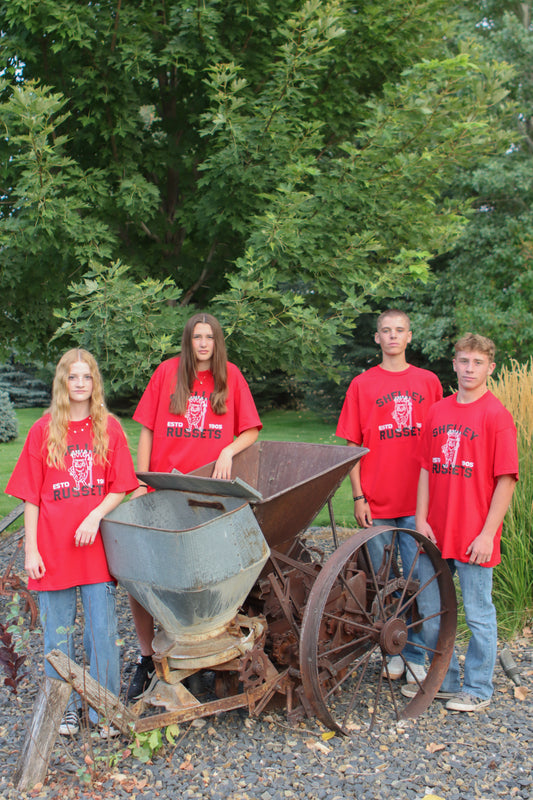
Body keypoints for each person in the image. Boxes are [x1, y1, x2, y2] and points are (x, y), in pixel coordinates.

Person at [127, 312, 262, 699]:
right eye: (196, 337)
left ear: (217, 343)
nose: (203, 344)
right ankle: (147, 655)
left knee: (201, 576)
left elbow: (251, 429)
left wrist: (227, 449)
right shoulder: (167, 373)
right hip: (165, 488)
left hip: (206, 494)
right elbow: (148, 429)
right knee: (145, 574)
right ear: (187, 342)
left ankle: (198, 655)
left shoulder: (230, 377)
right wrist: (141, 480)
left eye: (210, 338)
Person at [5, 349, 138, 737]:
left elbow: (121, 486)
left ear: (95, 383)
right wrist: (31, 549)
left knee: (101, 630)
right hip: (53, 549)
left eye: (87, 377)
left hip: (96, 549)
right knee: (58, 635)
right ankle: (64, 707)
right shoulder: (43, 430)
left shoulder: (108, 428)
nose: (80, 384)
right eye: (73, 377)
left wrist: (95, 515)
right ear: (63, 382)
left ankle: (103, 710)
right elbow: (31, 496)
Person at [401, 333, 518, 711]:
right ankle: (446, 681)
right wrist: (421, 517)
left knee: (479, 614)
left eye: (478, 363)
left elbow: (506, 480)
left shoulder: (496, 416)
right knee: (434, 611)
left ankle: (479, 688)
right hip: (435, 529)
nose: (470, 369)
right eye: (464, 361)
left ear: (490, 368)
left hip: (473, 535)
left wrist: (488, 534)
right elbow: (424, 469)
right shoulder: (437, 411)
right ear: (454, 363)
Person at [336, 309, 443, 683]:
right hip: (377, 504)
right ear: (377, 338)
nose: (393, 336)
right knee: (388, 585)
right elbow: (352, 447)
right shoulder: (362, 385)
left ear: (409, 337)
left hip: (418, 505)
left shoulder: (428, 382)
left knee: (422, 583)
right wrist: (358, 496)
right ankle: (397, 648)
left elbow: (439, 440)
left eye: (399, 330)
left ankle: (419, 655)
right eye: (386, 331)